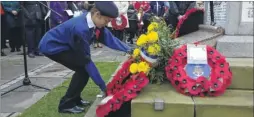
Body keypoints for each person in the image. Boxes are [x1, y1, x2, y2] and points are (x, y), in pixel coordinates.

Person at [39, 1, 132, 114]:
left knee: (82, 70)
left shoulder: (93, 21)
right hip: (53, 47)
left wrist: (129, 49)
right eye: (106, 21)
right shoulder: (80, 29)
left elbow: (109, 38)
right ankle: (66, 104)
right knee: (83, 70)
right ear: (97, 14)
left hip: (65, 44)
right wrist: (104, 87)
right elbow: (86, 60)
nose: (107, 24)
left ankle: (75, 99)